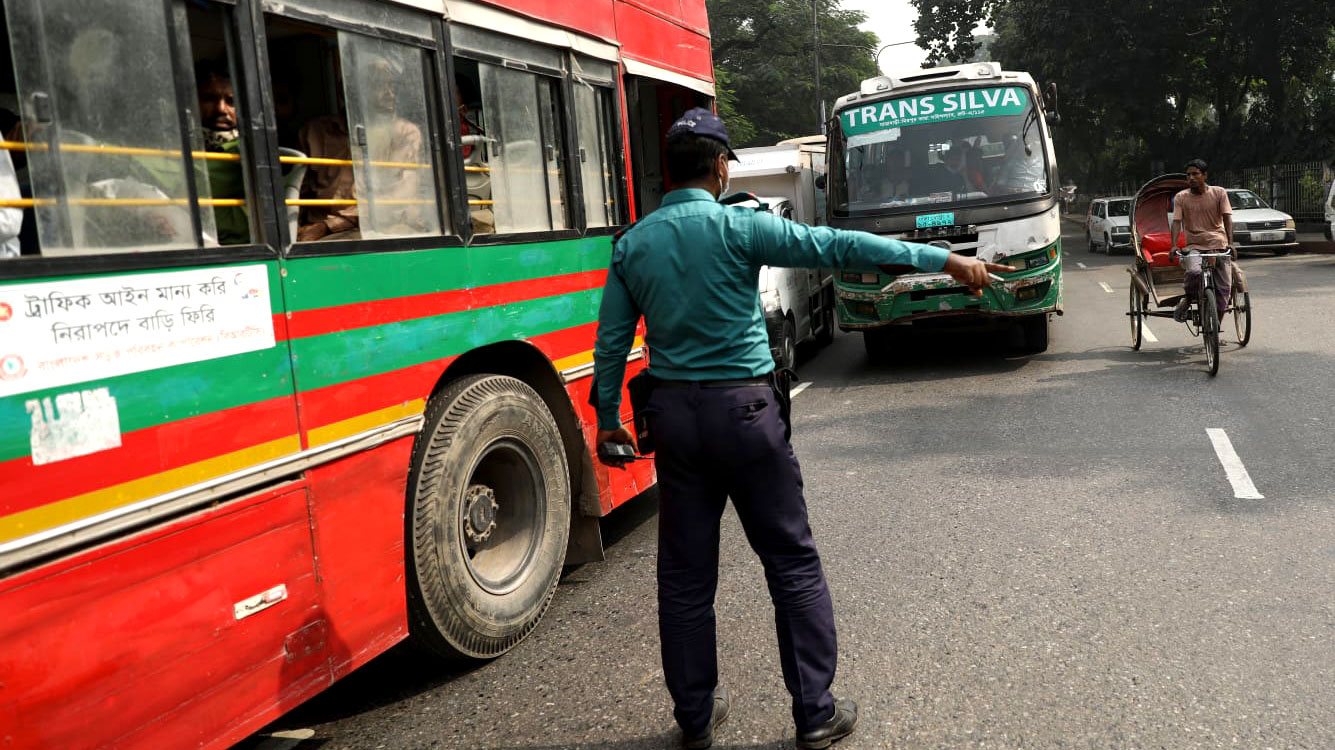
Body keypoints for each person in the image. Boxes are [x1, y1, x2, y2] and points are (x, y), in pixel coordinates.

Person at [590, 108, 1010, 750]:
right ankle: (814, 713)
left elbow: (612, 344)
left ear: (666, 173)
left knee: (683, 577)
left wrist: (606, 417)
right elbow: (841, 247)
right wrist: (943, 261)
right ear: (722, 166)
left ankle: (696, 720)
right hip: (747, 416)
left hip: (674, 420)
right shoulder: (741, 228)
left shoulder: (633, 245)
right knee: (789, 561)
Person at [1170, 158, 1234, 322]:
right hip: (1194, 245)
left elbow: (1227, 217)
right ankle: (1189, 299)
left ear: (1204, 175)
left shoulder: (1219, 193)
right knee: (1193, 272)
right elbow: (1176, 222)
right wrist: (1174, 245)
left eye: (1195, 174)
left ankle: (1215, 329)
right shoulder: (1181, 197)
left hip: (1218, 244)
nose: (1191, 178)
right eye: (1188, 175)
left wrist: (1231, 243)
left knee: (1225, 288)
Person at [195, 60, 249, 244]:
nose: (220, 109)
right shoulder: (175, 148)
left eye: (231, 101)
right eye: (209, 99)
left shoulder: (253, 152)